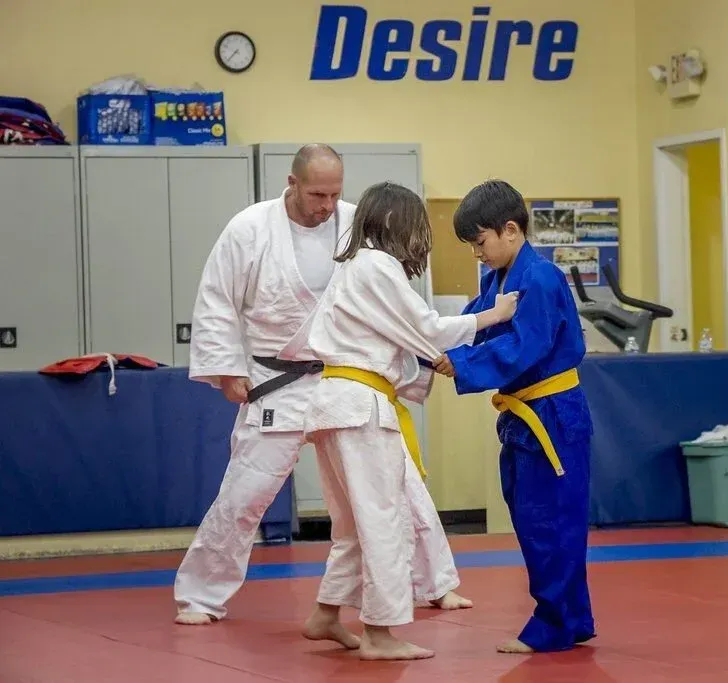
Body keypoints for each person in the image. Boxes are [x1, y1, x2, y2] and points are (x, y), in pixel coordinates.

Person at [174, 145, 471, 643]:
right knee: (245, 494)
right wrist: (227, 368)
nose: (328, 204)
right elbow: (217, 300)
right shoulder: (249, 228)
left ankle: (436, 583)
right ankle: (200, 596)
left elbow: (391, 305)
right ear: (292, 182)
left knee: (397, 486)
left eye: (335, 193)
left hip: (345, 380)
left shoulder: (358, 224)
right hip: (277, 380)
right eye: (317, 193)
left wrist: (414, 367)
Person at [294, 181, 518, 660]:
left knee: (353, 523)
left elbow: (401, 340)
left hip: (335, 402)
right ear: (398, 224)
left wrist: (431, 361)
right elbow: (428, 328)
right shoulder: (378, 266)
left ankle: (327, 613)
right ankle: (379, 631)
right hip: (360, 407)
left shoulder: (351, 266)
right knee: (383, 521)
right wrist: (492, 316)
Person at [433, 179, 595, 654]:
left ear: (510, 230)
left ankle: (553, 624)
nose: (478, 254)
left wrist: (460, 363)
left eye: (480, 243)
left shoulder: (541, 278)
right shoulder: (497, 281)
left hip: (554, 414)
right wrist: (431, 344)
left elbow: (525, 345)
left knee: (551, 522)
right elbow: (475, 325)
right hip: (524, 415)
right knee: (531, 517)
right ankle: (574, 618)